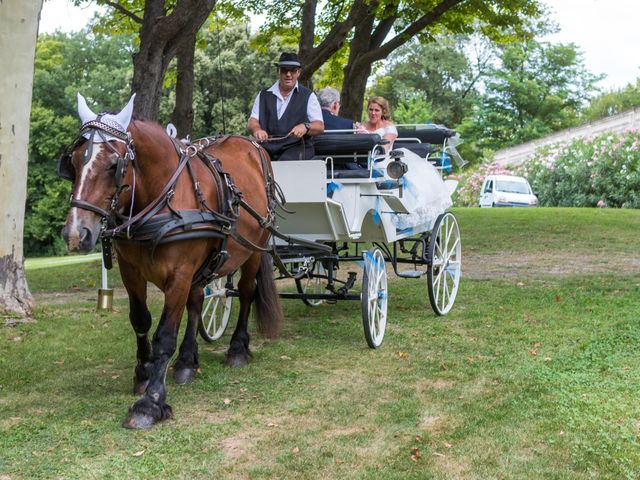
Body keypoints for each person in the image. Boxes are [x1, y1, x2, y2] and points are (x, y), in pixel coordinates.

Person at [248, 52, 324, 160]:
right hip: (266, 147)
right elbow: (252, 121)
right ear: (278, 72)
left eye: (293, 70)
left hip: (297, 147)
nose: (288, 74)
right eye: (284, 70)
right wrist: (257, 130)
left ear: (298, 72)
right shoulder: (263, 95)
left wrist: (305, 126)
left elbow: (320, 126)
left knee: (285, 161)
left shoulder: (308, 96)